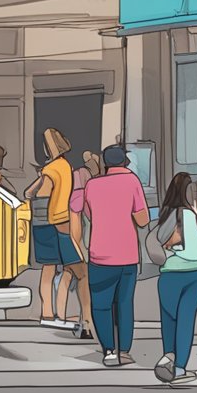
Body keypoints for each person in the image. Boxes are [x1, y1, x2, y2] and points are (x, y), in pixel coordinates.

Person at [81, 145, 151, 367]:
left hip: (99, 254)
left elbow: (89, 215)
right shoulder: (132, 182)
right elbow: (143, 220)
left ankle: (109, 351)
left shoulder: (91, 185)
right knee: (124, 304)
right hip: (127, 255)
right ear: (125, 162)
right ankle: (125, 351)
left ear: (104, 162)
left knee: (101, 304)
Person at [24, 128, 80, 331]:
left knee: (48, 269)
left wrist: (32, 191)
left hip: (46, 222)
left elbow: (39, 193)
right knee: (67, 267)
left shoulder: (50, 169)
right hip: (63, 219)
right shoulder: (65, 166)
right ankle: (60, 312)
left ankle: (47, 312)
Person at [154, 172, 197, 385]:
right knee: (185, 322)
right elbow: (194, 252)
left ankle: (168, 357)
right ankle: (180, 368)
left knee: (169, 320)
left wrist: (171, 249)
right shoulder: (190, 215)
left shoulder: (165, 214)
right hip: (191, 274)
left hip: (167, 274)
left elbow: (158, 241)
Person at [61, 151, 103, 340]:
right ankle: (86, 321)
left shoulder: (75, 191)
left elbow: (75, 228)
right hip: (91, 242)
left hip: (73, 238)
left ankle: (80, 320)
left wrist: (79, 249)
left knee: (71, 276)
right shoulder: (89, 189)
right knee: (82, 277)